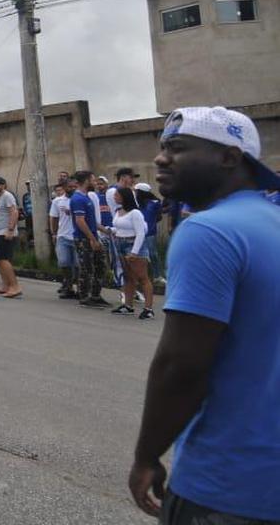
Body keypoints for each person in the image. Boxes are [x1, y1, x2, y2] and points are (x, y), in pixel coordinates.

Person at [128, 107, 280, 523]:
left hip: (230, 488)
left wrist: (146, 456)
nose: (160, 159)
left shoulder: (209, 232)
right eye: (162, 148)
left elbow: (182, 366)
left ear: (230, 157)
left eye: (176, 148)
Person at [109, 187, 152, 319]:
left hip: (133, 244)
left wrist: (134, 252)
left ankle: (148, 308)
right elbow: (118, 227)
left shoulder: (135, 213)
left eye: (117, 195)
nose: (114, 197)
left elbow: (140, 233)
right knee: (128, 276)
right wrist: (107, 229)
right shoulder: (118, 211)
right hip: (120, 243)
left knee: (142, 277)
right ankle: (128, 305)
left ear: (124, 196)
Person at [70, 171, 108, 307]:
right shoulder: (77, 199)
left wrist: (106, 231)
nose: (95, 182)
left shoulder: (87, 198)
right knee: (87, 268)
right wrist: (92, 239)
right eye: (93, 179)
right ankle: (85, 297)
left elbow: (91, 221)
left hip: (93, 237)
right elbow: (80, 221)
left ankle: (96, 295)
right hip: (84, 239)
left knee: (100, 266)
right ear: (86, 180)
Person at [49, 181, 78, 299]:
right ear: (65, 188)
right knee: (63, 262)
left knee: (78, 264)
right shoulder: (57, 201)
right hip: (63, 236)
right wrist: (54, 233)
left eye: (75, 187)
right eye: (70, 187)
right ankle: (68, 286)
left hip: (77, 237)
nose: (73, 189)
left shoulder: (79, 199)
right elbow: (53, 218)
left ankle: (79, 287)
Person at [135, 182, 163, 280]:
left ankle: (157, 275)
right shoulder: (136, 203)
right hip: (138, 233)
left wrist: (151, 223)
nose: (135, 193)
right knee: (140, 255)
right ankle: (143, 276)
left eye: (137, 191)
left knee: (153, 254)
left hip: (150, 232)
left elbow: (159, 216)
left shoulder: (154, 203)